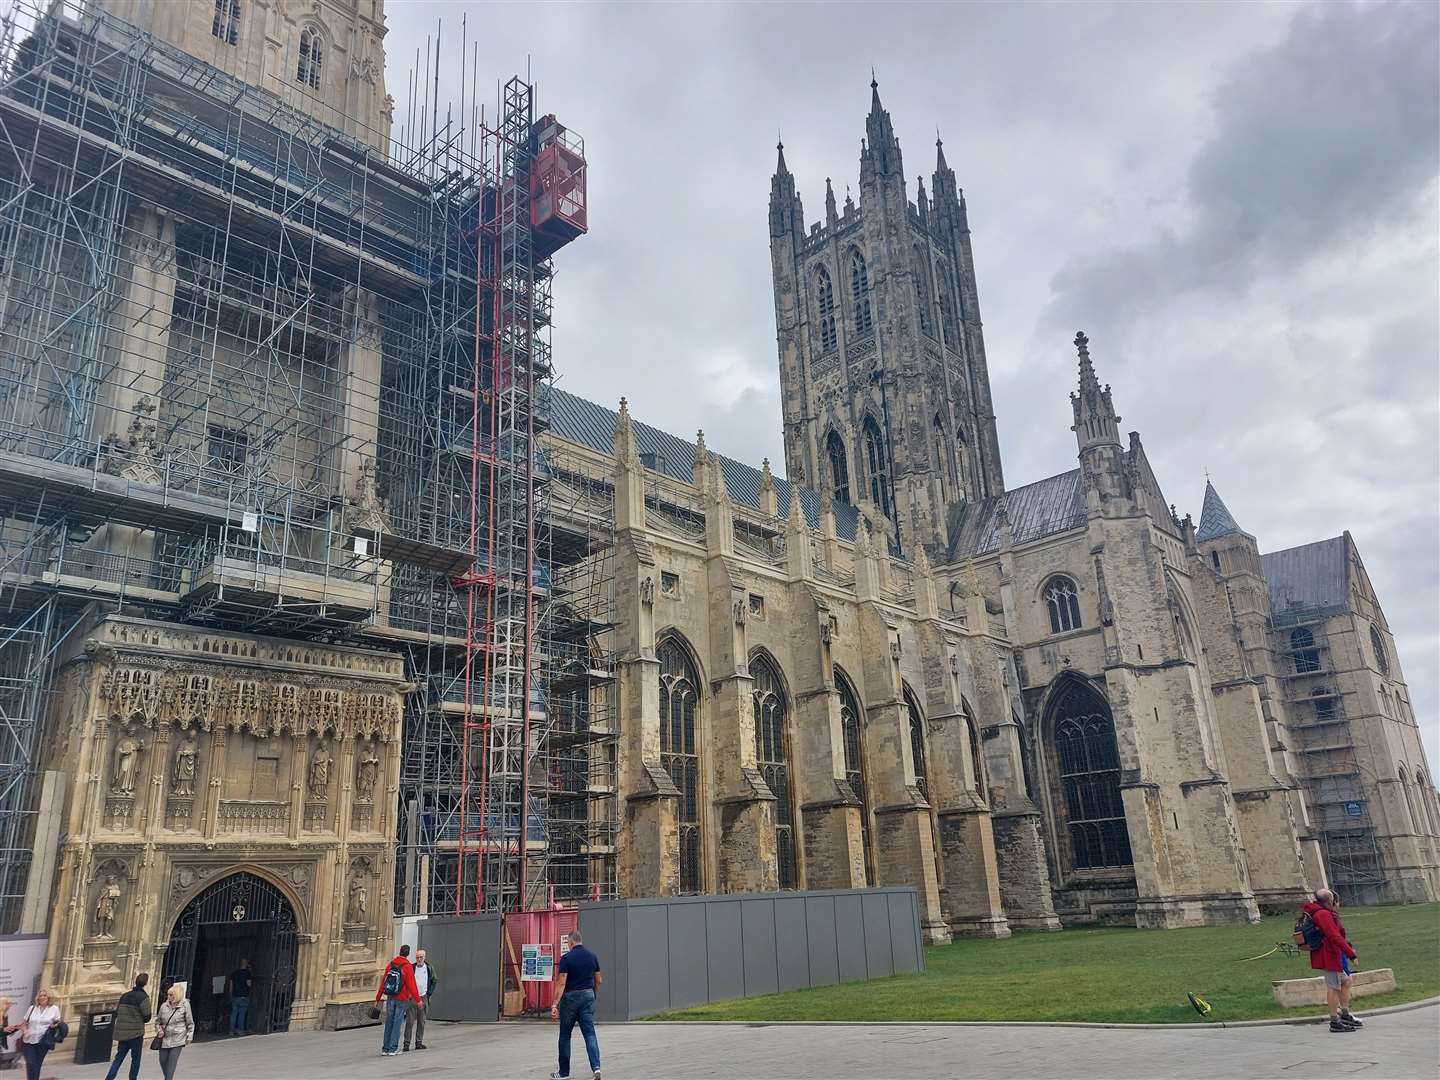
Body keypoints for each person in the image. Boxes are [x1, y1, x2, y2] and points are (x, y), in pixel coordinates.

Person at [1301, 888, 1361, 1032]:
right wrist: (1351, 954)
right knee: (1333, 987)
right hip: (1327, 954)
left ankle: (1345, 1014)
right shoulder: (1322, 914)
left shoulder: (1322, 912)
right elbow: (1334, 935)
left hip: (1331, 952)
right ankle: (1334, 1021)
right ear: (1330, 901)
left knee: (1346, 981)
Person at [549, 930, 601, 1080]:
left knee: (565, 1035)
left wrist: (554, 1004)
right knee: (590, 1033)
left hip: (571, 998)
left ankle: (564, 1073)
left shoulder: (566, 958)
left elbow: (561, 982)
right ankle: (596, 1068)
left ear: (571, 942)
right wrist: (592, 994)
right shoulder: (592, 956)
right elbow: (598, 980)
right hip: (587, 996)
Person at [373, 944, 419, 1057]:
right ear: (408, 954)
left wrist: (377, 998)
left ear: (400, 952)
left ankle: (385, 1048)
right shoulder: (407, 966)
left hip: (390, 996)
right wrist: (418, 1000)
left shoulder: (391, 964)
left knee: (389, 1021)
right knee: (397, 1023)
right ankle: (393, 1048)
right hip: (402, 998)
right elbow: (412, 985)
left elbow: (384, 981)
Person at [5, 987, 61, 1080]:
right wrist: (25, 1030)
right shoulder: (32, 1008)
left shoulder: (54, 1009)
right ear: (38, 997)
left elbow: (58, 1023)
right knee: (30, 1063)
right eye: (40, 995)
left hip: (43, 1041)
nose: (42, 997)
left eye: (44, 995)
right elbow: (24, 1024)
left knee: (37, 1064)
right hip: (29, 1041)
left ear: (49, 997)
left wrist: (54, 1026)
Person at [104, 972, 152, 1080]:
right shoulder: (144, 997)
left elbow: (118, 1013)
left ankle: (109, 1078)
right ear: (146, 983)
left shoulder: (124, 996)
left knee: (119, 1058)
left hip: (123, 1033)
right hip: (136, 1034)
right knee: (135, 1060)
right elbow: (147, 1017)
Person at [154, 983, 194, 1080]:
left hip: (178, 1038)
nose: (169, 997)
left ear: (177, 995)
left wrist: (189, 1036)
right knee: (163, 1060)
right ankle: (168, 1077)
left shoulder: (185, 1005)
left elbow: (190, 1022)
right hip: (165, 1037)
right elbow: (157, 1021)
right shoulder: (164, 1006)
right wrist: (159, 1030)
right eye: (168, 994)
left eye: (171, 995)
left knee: (172, 1062)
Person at [403, 947, 438, 1052]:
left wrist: (428, 993)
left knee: (421, 1021)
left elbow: (434, 979)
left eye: (421, 957)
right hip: (412, 998)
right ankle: (406, 1044)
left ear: (424, 957)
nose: (419, 959)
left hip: (423, 997)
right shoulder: (412, 967)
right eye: (417, 957)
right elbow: (406, 981)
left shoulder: (428, 968)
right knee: (409, 1021)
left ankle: (419, 1042)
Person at [227, 958, 252, 1036]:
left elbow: (231, 986)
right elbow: (249, 984)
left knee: (233, 1014)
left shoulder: (234, 973)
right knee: (242, 1014)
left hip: (235, 996)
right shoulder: (247, 973)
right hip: (243, 995)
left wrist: (230, 994)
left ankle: (231, 1030)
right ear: (246, 964)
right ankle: (240, 1030)